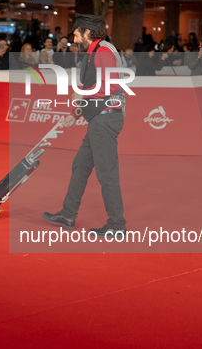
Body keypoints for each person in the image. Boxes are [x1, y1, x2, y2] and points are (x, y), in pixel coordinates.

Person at [42, 13, 127, 238]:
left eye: (77, 35)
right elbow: (93, 90)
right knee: (80, 165)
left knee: (107, 174)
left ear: (87, 32)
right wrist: (74, 114)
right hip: (99, 118)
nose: (75, 40)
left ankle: (117, 225)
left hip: (105, 119)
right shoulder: (94, 52)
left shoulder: (103, 51)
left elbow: (109, 86)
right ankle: (68, 214)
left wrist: (81, 94)